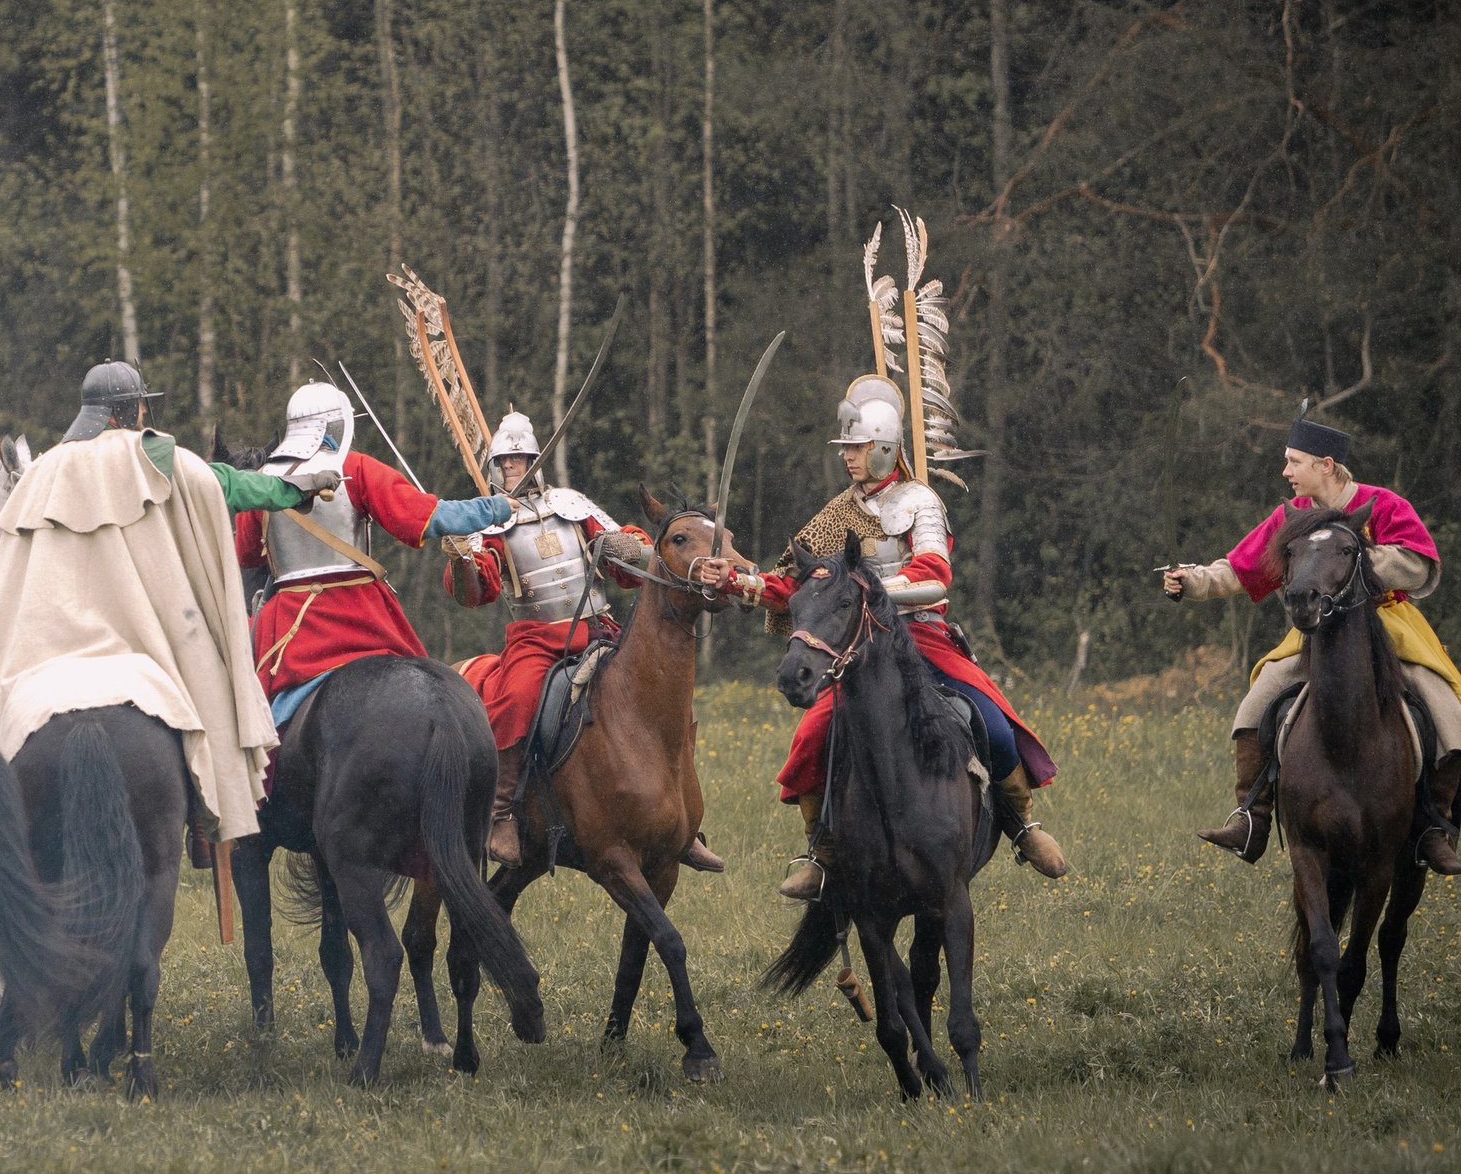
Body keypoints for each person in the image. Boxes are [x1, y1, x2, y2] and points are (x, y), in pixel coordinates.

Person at [734, 376, 1064, 898]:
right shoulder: (836, 513)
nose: (849, 458)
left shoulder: (920, 501)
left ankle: (1021, 822)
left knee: (994, 725)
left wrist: (869, 588)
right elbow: (800, 583)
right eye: (846, 449)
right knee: (809, 736)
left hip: (922, 637)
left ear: (886, 449)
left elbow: (935, 574)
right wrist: (740, 581)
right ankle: (820, 853)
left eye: (859, 448)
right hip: (862, 647)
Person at [0, 362, 290, 849]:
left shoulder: (43, 470)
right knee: (205, 695)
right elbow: (232, 485)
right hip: (143, 645)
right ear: (134, 409)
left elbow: (9, 584)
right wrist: (293, 488)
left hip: (46, 650)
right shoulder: (159, 456)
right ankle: (207, 810)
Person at [1161, 412, 1461, 873]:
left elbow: (1419, 565)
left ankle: (1432, 826)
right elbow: (1244, 567)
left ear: (1325, 464)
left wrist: (1344, 557)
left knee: (1448, 709)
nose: (1286, 472)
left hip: (1388, 625)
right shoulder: (1292, 515)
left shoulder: (1383, 504)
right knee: (1257, 701)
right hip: (1316, 631)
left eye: (1293, 462)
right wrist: (1192, 581)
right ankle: (1252, 816)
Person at [445, 411, 725, 870]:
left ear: (536, 460)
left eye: (522, 458)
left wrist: (622, 546)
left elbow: (626, 547)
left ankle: (681, 824)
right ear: (494, 467)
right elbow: (478, 590)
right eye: (506, 460)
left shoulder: (571, 504)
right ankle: (500, 815)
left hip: (600, 626)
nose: (514, 467)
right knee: (515, 698)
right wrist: (462, 562)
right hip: (536, 637)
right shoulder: (489, 523)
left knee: (666, 698)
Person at [233, 382, 513, 726]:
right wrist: (495, 508)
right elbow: (427, 518)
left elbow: (246, 557)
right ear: (336, 425)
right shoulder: (356, 467)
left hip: (294, 625)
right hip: (363, 613)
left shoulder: (262, 481)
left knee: (256, 721)